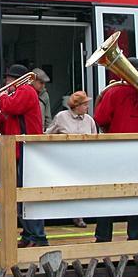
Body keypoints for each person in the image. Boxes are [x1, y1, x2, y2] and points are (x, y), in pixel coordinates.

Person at [93, 57, 138, 242]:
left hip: (116, 150)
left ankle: (103, 236)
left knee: (109, 194)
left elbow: (100, 118)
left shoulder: (113, 92)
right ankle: (134, 234)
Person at [0, 64, 47, 247]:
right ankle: (29, 234)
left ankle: (38, 237)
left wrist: (2, 96)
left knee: (27, 196)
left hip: (27, 150)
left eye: (9, 79)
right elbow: (7, 127)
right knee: (19, 197)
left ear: (17, 79)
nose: (6, 82)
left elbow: (12, 107)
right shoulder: (19, 94)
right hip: (18, 150)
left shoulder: (26, 91)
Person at [46, 90, 97, 228]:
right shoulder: (61, 117)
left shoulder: (89, 120)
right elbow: (47, 134)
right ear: (77, 105)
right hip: (64, 160)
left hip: (83, 160)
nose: (87, 107)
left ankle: (78, 216)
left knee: (80, 188)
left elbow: (95, 139)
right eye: (85, 104)